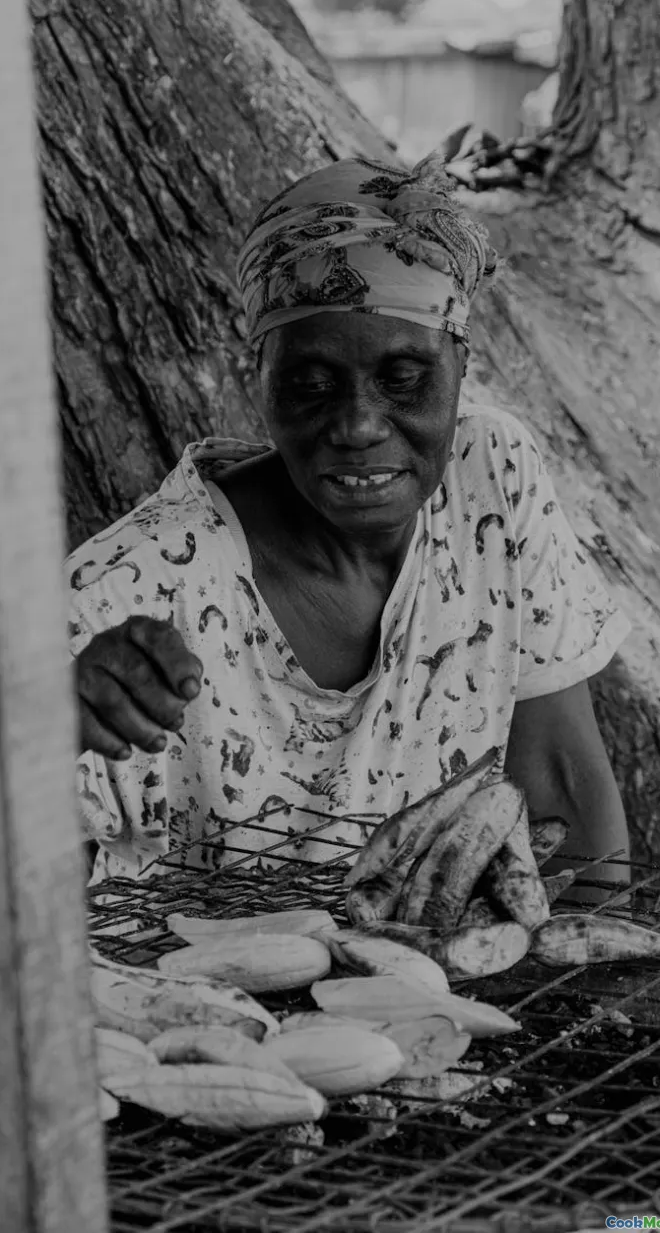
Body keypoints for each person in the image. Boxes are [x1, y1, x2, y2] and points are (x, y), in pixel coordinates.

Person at [66, 152, 631, 889]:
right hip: (203, 992)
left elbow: (558, 781)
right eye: (310, 384)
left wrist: (596, 998)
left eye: (403, 378)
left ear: (461, 361)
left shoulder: (488, 474)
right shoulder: (124, 595)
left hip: (436, 988)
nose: (359, 425)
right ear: (258, 381)